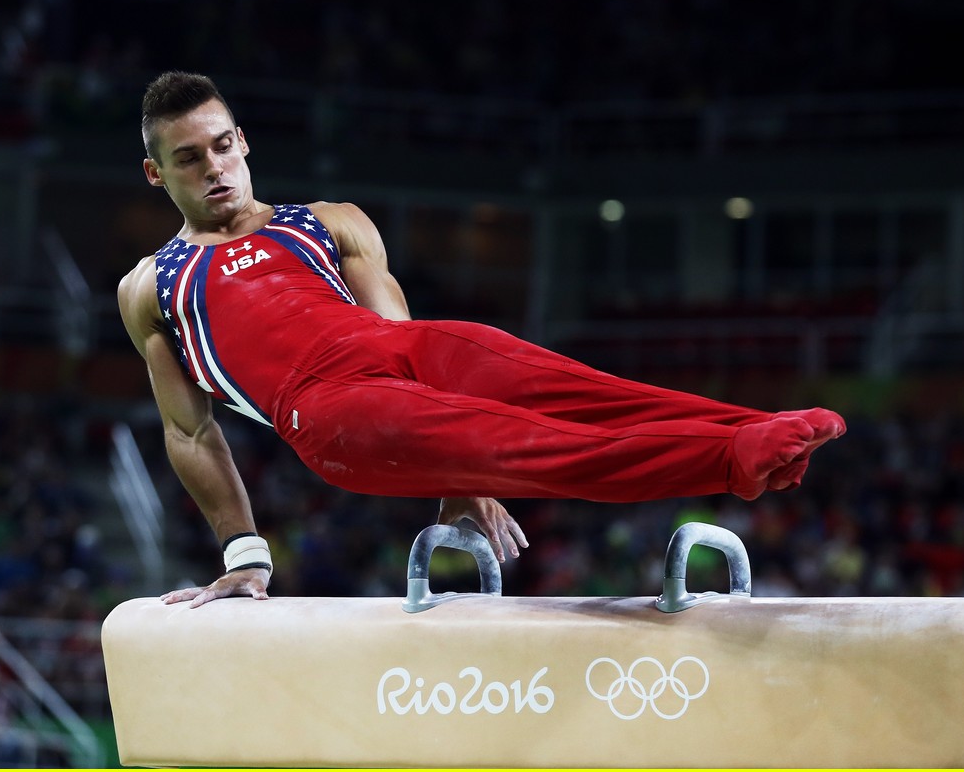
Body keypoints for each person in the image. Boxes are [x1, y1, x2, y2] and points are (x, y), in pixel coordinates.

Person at [118, 71, 846, 608]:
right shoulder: (154, 285)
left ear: (243, 140)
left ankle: (759, 432)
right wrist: (246, 554)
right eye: (189, 158)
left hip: (401, 355)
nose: (215, 168)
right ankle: (730, 461)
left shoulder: (329, 222)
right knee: (539, 446)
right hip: (331, 412)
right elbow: (190, 431)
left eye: (222, 146)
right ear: (157, 172)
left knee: (585, 391)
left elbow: (397, 337)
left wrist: (456, 478)